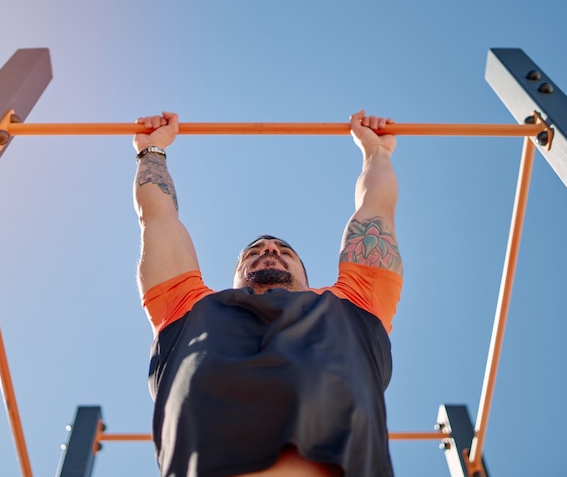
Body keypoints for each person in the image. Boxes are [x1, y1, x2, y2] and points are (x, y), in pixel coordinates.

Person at [133, 110, 403, 477]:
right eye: (255, 250)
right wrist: (152, 150)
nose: (270, 249)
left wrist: (376, 152)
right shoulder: (185, 306)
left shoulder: (354, 302)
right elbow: (157, 216)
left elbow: (377, 210)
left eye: (284, 250)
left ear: (309, 279)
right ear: (234, 273)